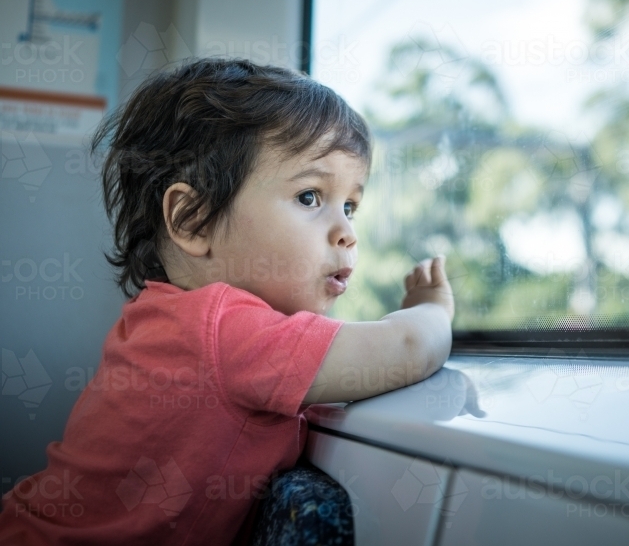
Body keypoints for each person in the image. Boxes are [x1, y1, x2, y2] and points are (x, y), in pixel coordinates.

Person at [0, 58, 454, 545]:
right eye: (309, 197)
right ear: (193, 219)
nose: (347, 232)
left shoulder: (167, 320)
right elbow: (405, 348)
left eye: (350, 206)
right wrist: (431, 310)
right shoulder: (222, 330)